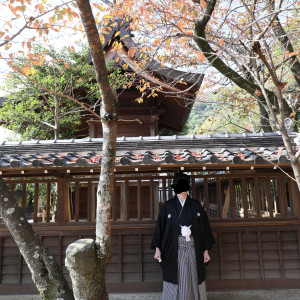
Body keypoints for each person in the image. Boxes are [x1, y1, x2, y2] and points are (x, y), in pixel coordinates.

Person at [151, 172, 215, 300]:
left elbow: (204, 229)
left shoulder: (196, 206)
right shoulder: (168, 207)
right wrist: (157, 248)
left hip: (193, 249)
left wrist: (206, 250)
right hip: (173, 250)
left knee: (193, 276)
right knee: (175, 277)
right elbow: (160, 228)